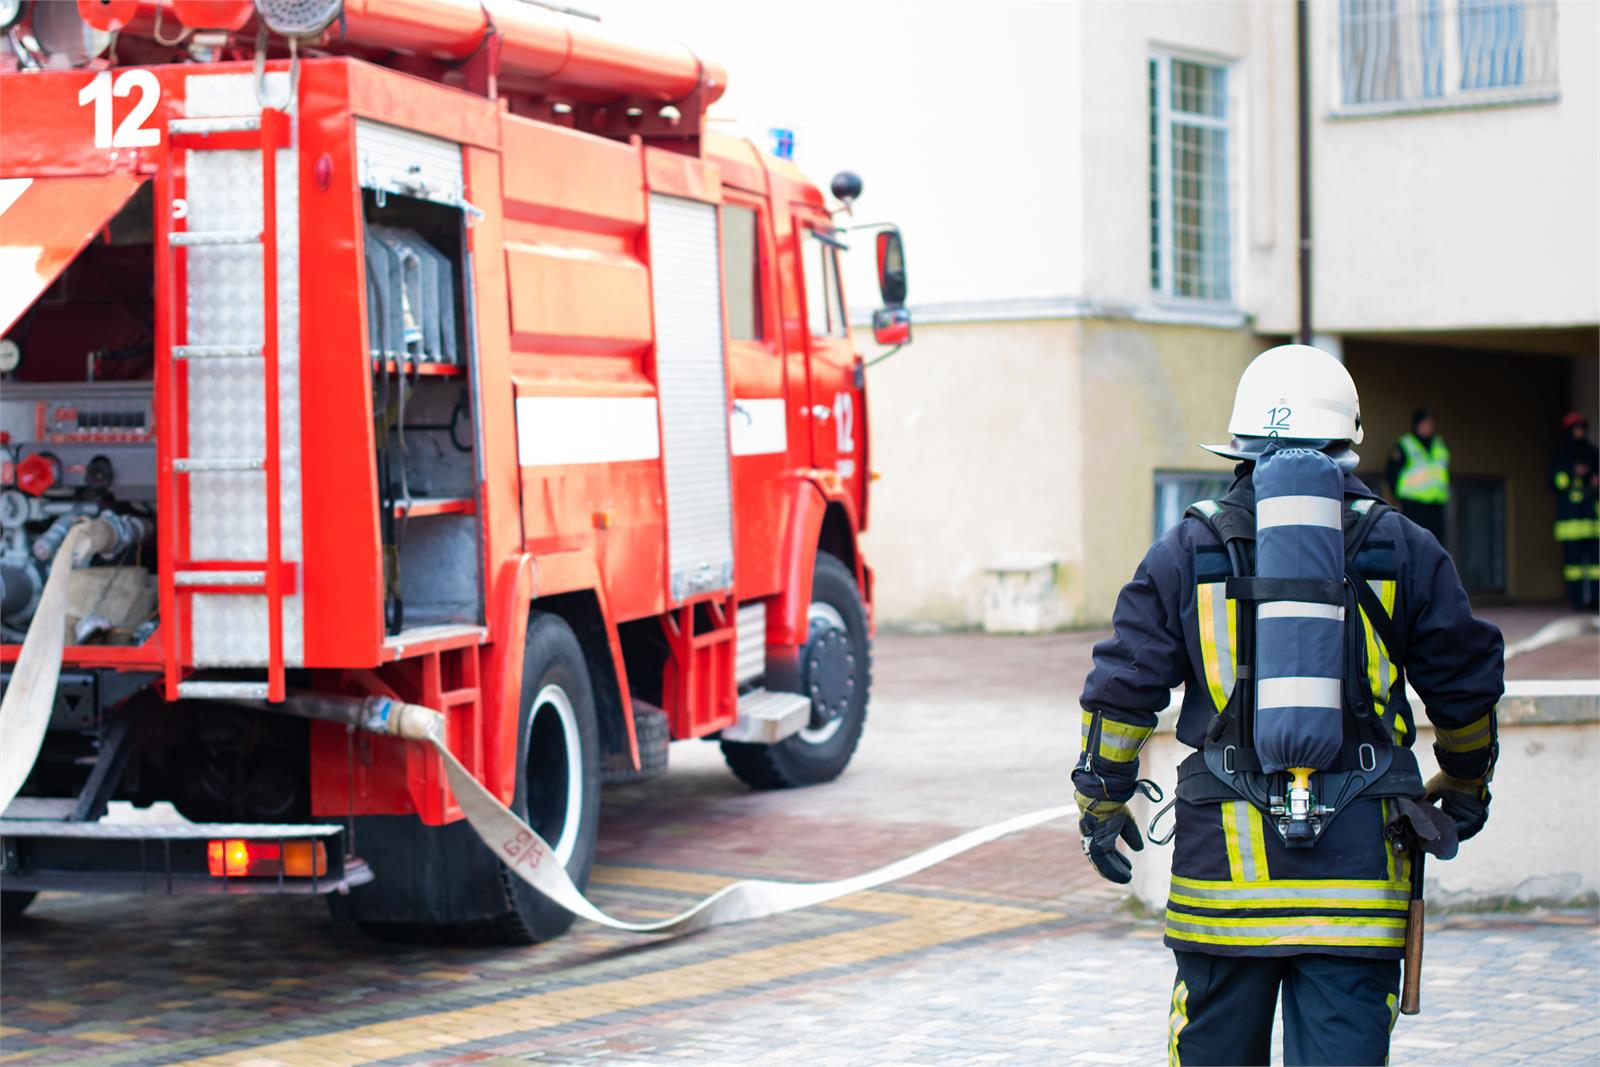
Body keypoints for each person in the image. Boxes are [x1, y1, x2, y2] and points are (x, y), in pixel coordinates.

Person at [1072, 345, 1503, 1066]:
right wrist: (1463, 787)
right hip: (1358, 885)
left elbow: (1123, 690)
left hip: (1224, 887)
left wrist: (1101, 803)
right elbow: (1466, 684)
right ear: (1347, 441)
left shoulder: (1190, 546)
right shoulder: (1402, 545)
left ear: (1239, 445)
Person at [1549, 412, 1600, 611]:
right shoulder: (1561, 456)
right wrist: (1572, 475)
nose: (1578, 431)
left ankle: (1596, 601)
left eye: (1581, 427)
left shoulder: (1593, 453)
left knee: (1596, 567)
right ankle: (1577, 602)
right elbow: (1554, 482)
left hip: (1593, 521)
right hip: (1570, 521)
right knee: (1573, 567)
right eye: (1575, 428)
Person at [1385, 409, 1451, 549]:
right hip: (1413, 505)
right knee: (1414, 545)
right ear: (1417, 425)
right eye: (1425, 423)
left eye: (1430, 423)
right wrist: (1397, 498)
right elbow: (1391, 473)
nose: (1429, 427)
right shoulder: (1405, 444)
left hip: (1436, 505)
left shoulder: (1439, 444)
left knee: (1436, 547)